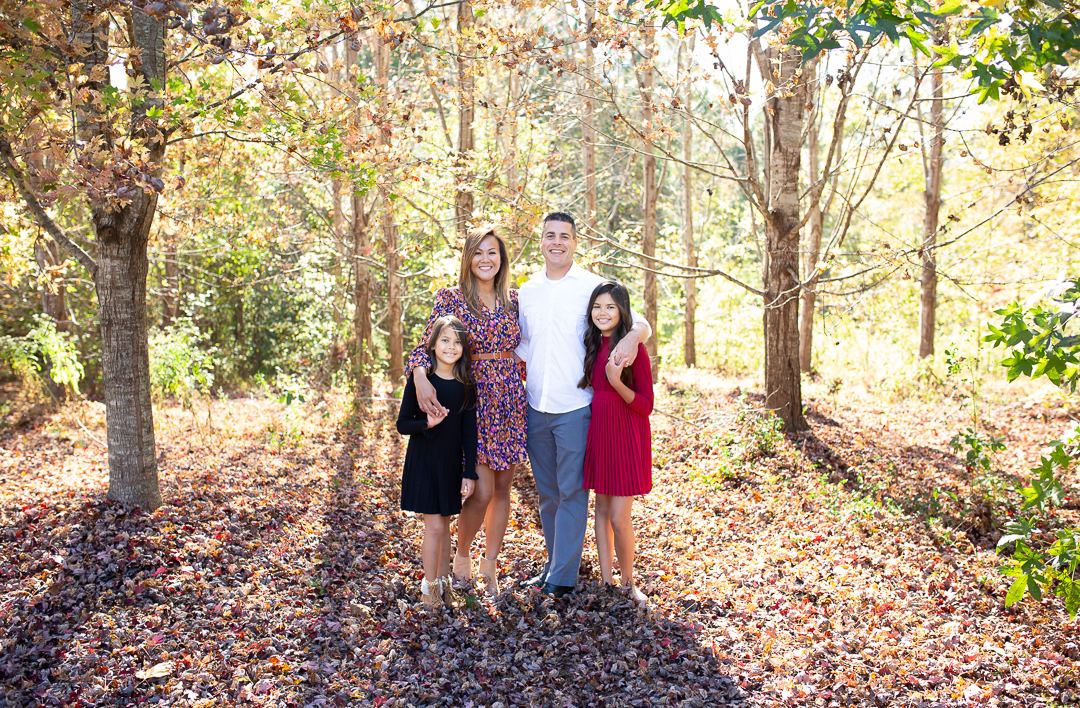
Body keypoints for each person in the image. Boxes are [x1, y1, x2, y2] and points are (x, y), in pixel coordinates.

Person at [515, 212, 651, 598]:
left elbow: (636, 320)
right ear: (541, 241)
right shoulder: (527, 291)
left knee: (571, 492)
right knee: (547, 494)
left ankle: (562, 577)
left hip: (576, 406)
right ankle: (553, 565)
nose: (556, 242)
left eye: (564, 236)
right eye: (549, 236)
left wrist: (634, 337)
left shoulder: (591, 285)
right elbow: (523, 345)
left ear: (575, 242)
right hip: (535, 405)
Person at [407, 225, 528, 595]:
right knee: (482, 490)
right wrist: (419, 377)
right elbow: (426, 347)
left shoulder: (516, 300)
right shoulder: (453, 298)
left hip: (510, 399)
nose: (486, 259)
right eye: (478, 252)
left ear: (502, 259)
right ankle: (462, 555)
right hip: (473, 399)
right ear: (468, 258)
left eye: (492, 252)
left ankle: (489, 563)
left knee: (504, 486)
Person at [397, 316, 478, 608]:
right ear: (432, 346)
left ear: (463, 349)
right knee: (433, 527)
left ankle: (444, 584)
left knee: (445, 527)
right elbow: (403, 424)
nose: (451, 346)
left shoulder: (466, 386)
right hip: (424, 462)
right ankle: (428, 589)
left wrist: (469, 473)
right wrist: (427, 425)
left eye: (457, 342)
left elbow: (470, 433)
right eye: (444, 340)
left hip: (451, 465)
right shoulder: (420, 384)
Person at [579, 281, 653, 604]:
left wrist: (614, 383)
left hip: (626, 432)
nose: (603, 313)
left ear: (622, 310)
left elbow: (646, 404)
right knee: (602, 508)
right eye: (597, 306)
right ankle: (606, 580)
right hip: (600, 430)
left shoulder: (632, 348)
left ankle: (627, 581)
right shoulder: (592, 342)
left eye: (610, 307)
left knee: (620, 516)